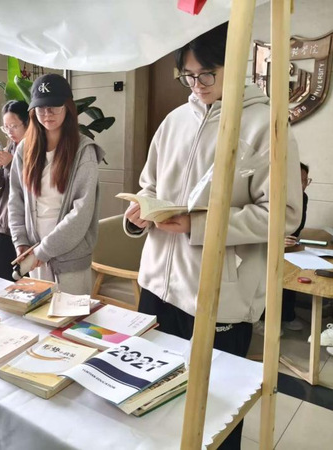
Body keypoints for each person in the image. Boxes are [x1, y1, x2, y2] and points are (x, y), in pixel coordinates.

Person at [123, 23, 302, 450]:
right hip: (157, 288)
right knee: (154, 395)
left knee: (216, 409)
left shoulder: (265, 126)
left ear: (236, 64)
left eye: (207, 73)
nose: (197, 84)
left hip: (220, 293)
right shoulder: (174, 121)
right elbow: (150, 184)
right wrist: (140, 213)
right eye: (188, 75)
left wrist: (197, 225)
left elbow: (283, 216)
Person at [9, 73, 105, 295]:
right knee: (40, 314)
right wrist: (21, 242)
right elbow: (16, 199)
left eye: (54, 107)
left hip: (69, 260)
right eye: (41, 108)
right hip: (34, 257)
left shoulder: (83, 151)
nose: (47, 114)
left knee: (70, 315)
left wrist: (43, 251)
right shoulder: (25, 149)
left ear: (68, 107)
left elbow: (81, 213)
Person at [255, 162, 310, 335]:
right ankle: (259, 319)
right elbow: (259, 225)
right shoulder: (273, 196)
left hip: (286, 246)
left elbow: (298, 225)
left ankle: (286, 315)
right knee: (268, 278)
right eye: (298, 180)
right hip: (262, 245)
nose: (302, 185)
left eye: (305, 180)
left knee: (291, 272)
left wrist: (289, 239)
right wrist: (277, 238)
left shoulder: (303, 198)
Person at [0, 100, 29, 280]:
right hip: (1, 225)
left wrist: (11, 164)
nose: (10, 132)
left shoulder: (37, 150)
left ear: (28, 124)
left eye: (14, 126)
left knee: (23, 284)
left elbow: (32, 188)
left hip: (25, 229)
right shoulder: (9, 148)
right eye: (6, 127)